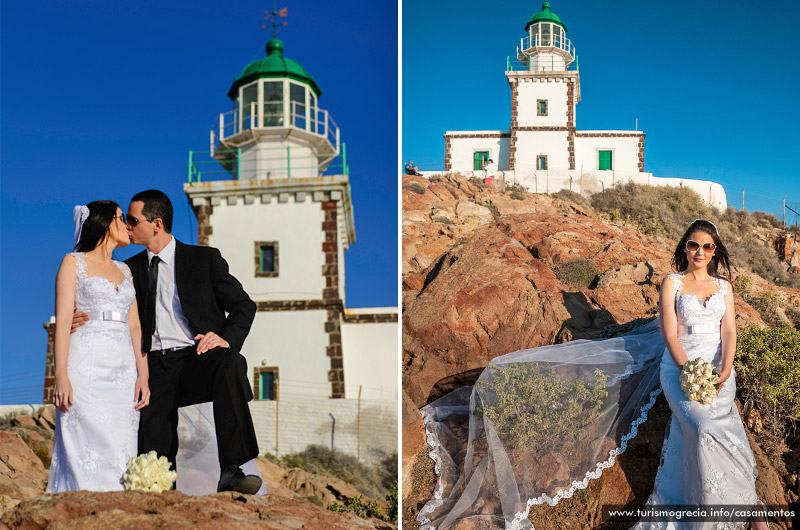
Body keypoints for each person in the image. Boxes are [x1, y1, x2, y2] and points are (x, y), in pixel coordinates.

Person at [417, 219, 767, 530]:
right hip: (680, 367)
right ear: (684, 247)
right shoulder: (672, 283)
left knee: (724, 425)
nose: (700, 252)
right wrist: (688, 368)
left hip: (719, 368)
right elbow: (670, 334)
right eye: (693, 244)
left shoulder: (723, 287)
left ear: (715, 250)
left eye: (707, 246)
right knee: (704, 427)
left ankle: (746, 506)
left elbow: (730, 332)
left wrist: (723, 370)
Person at [72, 189, 261, 494]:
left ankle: (233, 470)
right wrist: (76, 318)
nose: (127, 226)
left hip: (196, 357)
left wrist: (224, 337)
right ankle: (160, 498)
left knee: (230, 360)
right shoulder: (127, 270)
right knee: (154, 454)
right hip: (153, 367)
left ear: (156, 224)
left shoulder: (204, 259)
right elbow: (102, 306)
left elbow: (244, 305)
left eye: (132, 220)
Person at [48, 201, 149, 492]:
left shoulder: (125, 269)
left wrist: (143, 375)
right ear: (105, 222)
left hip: (123, 371)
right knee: (83, 442)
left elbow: (135, 326)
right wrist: (61, 376)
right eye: (122, 218)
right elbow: (64, 320)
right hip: (86, 363)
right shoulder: (73, 262)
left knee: (122, 443)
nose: (128, 225)